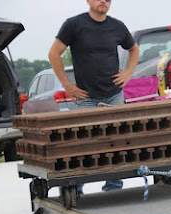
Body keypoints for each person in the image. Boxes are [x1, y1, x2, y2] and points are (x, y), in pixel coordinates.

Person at [48, 0, 139, 193]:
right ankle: (77, 188)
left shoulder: (117, 26)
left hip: (114, 95)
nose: (103, 2)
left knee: (115, 141)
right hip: (86, 97)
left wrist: (128, 73)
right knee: (83, 144)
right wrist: (67, 85)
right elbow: (54, 54)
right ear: (88, 0)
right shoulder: (74, 25)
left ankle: (114, 186)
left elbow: (134, 49)